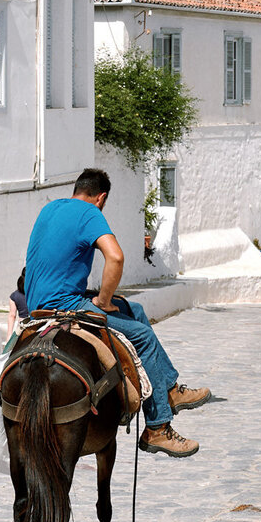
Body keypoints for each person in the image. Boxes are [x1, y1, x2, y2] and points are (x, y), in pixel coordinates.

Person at [23, 167, 210, 457]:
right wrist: (104, 300)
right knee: (144, 338)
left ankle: (170, 387)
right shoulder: (90, 213)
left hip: (37, 305)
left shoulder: (49, 208)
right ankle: (158, 428)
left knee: (133, 309)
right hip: (66, 305)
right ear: (101, 198)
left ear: (76, 189)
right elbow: (116, 256)